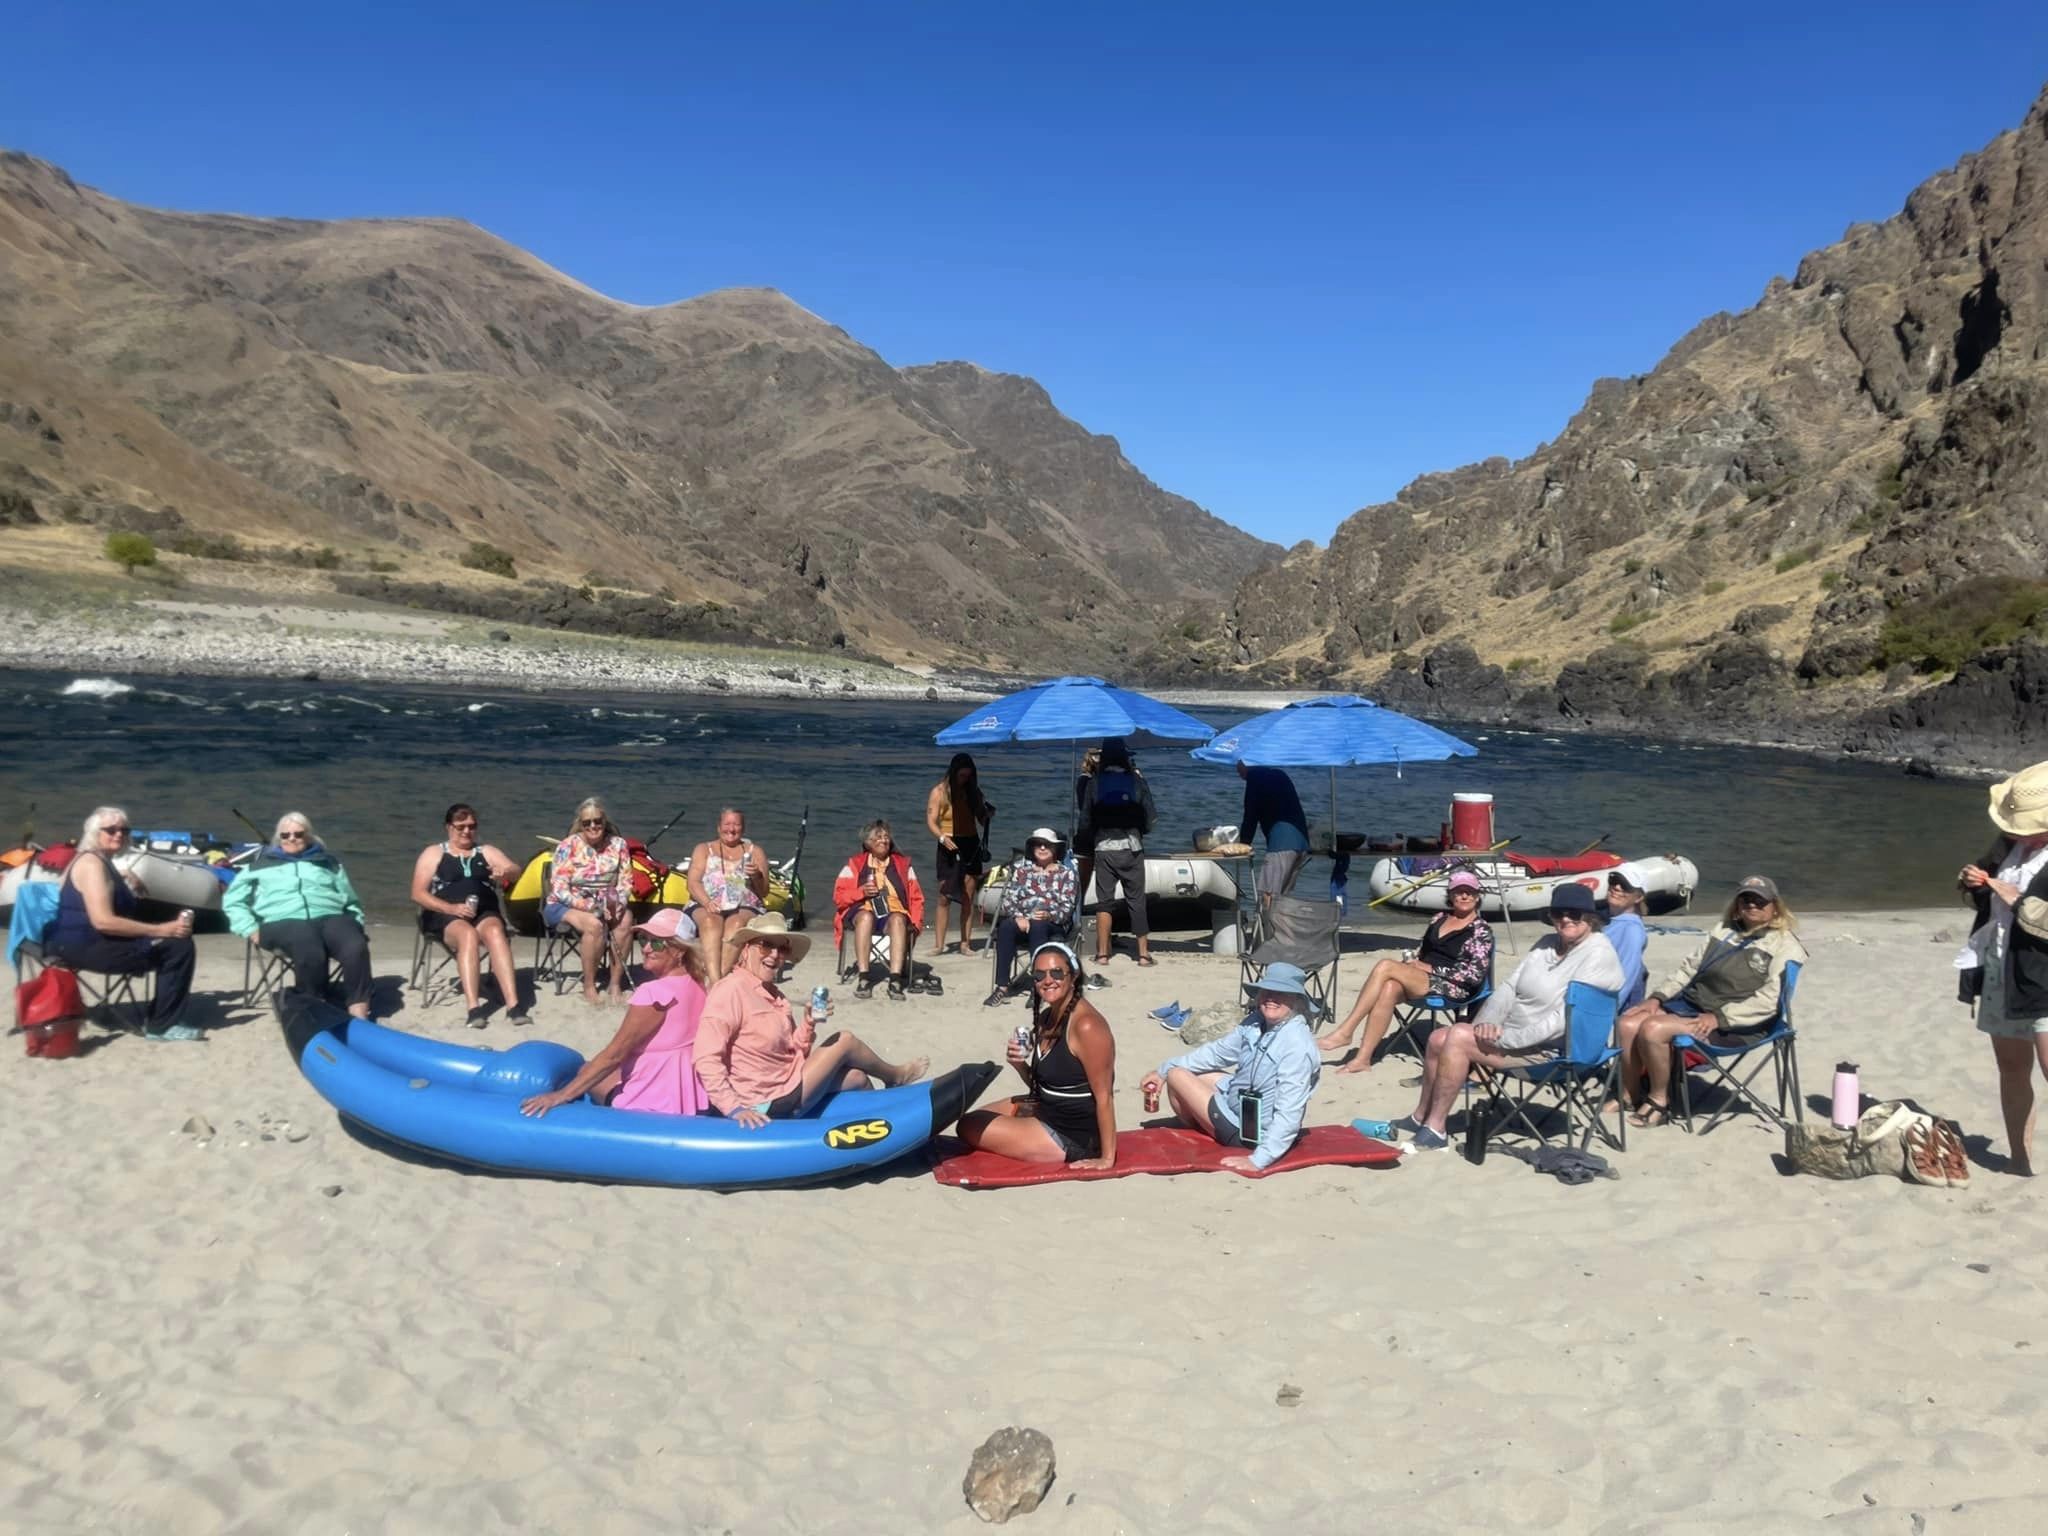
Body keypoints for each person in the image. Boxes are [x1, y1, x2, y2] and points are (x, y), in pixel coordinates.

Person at [1396, 883, 1624, 1151]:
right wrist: (1486, 1022)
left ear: (1591, 918)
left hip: (1556, 1052)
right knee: (1437, 1038)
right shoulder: (1547, 944)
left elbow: (1563, 1021)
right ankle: (1421, 1116)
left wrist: (1508, 1039)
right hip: (1516, 1037)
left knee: (1457, 1035)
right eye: (1558, 913)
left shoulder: (1598, 953)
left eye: (1574, 913)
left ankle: (1435, 1129)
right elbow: (1509, 987)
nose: (1565, 919)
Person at [693, 911, 928, 1128]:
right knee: (844, 1040)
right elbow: (706, 1058)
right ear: (746, 949)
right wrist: (733, 1108)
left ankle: (878, 1127)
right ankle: (895, 1076)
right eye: (765, 945)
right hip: (765, 1099)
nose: (774, 955)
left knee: (856, 1077)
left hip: (789, 1079)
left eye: (781, 949)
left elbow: (794, 1052)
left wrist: (808, 1024)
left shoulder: (774, 995)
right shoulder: (730, 990)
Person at [1613, 875, 1807, 1128]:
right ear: (1737, 905)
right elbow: (1688, 969)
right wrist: (1657, 998)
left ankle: (1660, 1099)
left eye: (1760, 901)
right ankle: (1630, 1093)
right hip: (1693, 1005)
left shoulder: (1785, 946)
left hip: (1739, 1024)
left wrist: (1719, 1018)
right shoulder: (1723, 932)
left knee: (1653, 1029)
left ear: (1775, 906)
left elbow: (1770, 1001)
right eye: (1745, 900)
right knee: (1627, 1024)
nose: (1752, 905)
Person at [520, 909, 711, 1117]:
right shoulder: (698, 985)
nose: (646, 948)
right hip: (688, 1094)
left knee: (585, 1070)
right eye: (644, 940)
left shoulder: (654, 994)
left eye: (656, 943)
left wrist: (561, 1095)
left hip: (651, 1099)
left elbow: (615, 1054)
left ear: (679, 951)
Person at [1140, 960, 1322, 1173]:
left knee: (1177, 1075)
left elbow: (1290, 1110)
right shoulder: (1256, 1022)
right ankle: (1203, 1117)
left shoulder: (1297, 1045)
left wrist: (1258, 1160)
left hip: (1251, 1133)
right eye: (1267, 991)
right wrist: (1161, 1069)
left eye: (1281, 993)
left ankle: (1199, 1125)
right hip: (1241, 1101)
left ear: (1296, 1000)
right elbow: (1217, 1053)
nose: (1271, 998)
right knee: (1184, 1070)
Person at [1958, 761, 2048, 1174]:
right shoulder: (2006, 845)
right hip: (2001, 969)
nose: (2012, 829)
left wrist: (2018, 899)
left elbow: (2026, 909)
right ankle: (2019, 1159)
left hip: (2042, 976)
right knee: (2012, 1069)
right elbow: (1985, 899)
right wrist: (1974, 883)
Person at [43, 805, 200, 1041]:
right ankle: (162, 1025)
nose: (119, 834)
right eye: (111, 829)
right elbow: (103, 922)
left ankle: (161, 1014)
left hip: (70, 942)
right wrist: (161, 930)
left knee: (171, 936)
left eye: (124, 830)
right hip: (88, 947)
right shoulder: (92, 865)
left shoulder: (93, 860)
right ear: (95, 833)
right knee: (179, 946)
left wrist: (127, 880)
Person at [1317, 867, 1493, 1073]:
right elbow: (1424, 951)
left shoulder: (1481, 931)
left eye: (1469, 892)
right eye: (1458, 891)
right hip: (1423, 978)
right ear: (1450, 895)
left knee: (1385, 966)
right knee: (1389, 988)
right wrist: (1413, 961)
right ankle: (1363, 1059)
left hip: (1454, 988)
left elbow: (1473, 976)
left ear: (1477, 896)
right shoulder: (1439, 919)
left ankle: (1346, 1031)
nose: (1464, 896)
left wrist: (1429, 968)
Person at [957, 942, 1117, 1167]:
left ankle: (1046, 1138)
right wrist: (1020, 1065)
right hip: (1048, 1110)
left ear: (1074, 975)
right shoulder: (1046, 1018)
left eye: (1057, 973)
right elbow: (1043, 1084)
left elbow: (1105, 1096)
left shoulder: (1087, 1026)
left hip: (1072, 1135)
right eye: (1039, 975)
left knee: (969, 1127)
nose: (1048, 980)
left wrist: (1107, 1159)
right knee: (972, 1118)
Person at [224, 812, 375, 1021]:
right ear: (279, 838)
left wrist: (355, 923)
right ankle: (314, 1005)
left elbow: (350, 900)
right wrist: (250, 929)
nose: (291, 838)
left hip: (330, 917)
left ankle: (359, 1013)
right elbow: (233, 901)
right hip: (282, 921)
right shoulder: (259, 866)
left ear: (309, 836)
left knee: (355, 946)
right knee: (308, 945)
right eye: (285, 835)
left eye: (298, 834)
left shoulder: (328, 863)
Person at [410, 803, 527, 1027]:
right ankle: (474, 1008)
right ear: (448, 827)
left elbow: (516, 871)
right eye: (460, 826)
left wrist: (506, 872)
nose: (466, 831)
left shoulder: (486, 851)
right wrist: (450, 908)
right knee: (467, 935)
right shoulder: (434, 853)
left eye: (471, 826)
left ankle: (513, 1005)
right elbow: (417, 893)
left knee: (495, 931)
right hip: (444, 914)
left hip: (483, 911)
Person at [1077, 737, 1157, 978]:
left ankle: (1102, 955)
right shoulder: (1136, 781)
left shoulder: (1094, 782)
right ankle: (1143, 955)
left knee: (1105, 902)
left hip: (1104, 848)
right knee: (1136, 900)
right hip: (1132, 847)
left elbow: (1085, 820)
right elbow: (1151, 817)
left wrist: (1089, 838)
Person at [547, 796, 635, 1006]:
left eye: (597, 821)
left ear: (604, 822)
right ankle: (589, 984)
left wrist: (618, 903)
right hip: (567, 904)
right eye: (587, 822)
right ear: (581, 824)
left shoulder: (618, 845)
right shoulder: (568, 846)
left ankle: (615, 982)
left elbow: (626, 881)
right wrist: (591, 907)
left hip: (609, 901)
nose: (593, 826)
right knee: (594, 925)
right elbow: (559, 889)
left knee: (625, 922)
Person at [830, 819, 926, 1000]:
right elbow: (839, 896)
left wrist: (916, 923)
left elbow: (917, 898)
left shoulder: (903, 865)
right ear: (867, 842)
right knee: (866, 917)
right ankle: (864, 977)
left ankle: (895, 979)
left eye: (886, 837)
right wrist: (861, 892)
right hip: (862, 910)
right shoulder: (855, 864)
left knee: (898, 919)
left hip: (892, 913)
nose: (883, 840)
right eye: (878, 837)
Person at [983, 827, 1078, 1006]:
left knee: (1038, 925)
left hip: (1052, 924)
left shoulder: (1066, 874)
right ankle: (1002, 987)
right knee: (1005, 927)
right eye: (1038, 845)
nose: (1042, 848)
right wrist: (1019, 917)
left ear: (1055, 849)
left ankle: (1037, 986)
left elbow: (1067, 908)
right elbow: (1008, 901)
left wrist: (1049, 915)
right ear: (1032, 848)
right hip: (1023, 922)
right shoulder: (1022, 872)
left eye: (1047, 845)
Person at [685, 807, 770, 983]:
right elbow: (693, 883)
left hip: (745, 904)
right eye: (727, 824)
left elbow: (764, 891)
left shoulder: (755, 851)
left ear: (743, 828)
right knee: (710, 921)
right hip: (707, 902)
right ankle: (717, 982)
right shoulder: (703, 849)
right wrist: (706, 901)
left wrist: (756, 875)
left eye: (736, 825)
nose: (731, 829)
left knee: (737, 923)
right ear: (718, 827)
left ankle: (716, 981)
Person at [926, 752, 994, 956]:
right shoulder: (940, 791)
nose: (965, 780)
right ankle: (939, 944)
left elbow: (981, 820)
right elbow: (931, 820)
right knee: (944, 896)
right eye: (962, 776)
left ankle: (965, 943)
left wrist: (987, 815)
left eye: (969, 776)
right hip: (948, 842)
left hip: (970, 842)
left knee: (968, 894)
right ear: (953, 772)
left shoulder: (974, 791)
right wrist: (941, 838)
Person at [1239, 761, 1310, 901]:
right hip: (1302, 842)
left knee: (1268, 894)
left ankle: (1267, 923)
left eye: (1238, 763)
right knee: (1282, 898)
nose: (1236, 769)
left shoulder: (1255, 779)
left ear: (1246, 763)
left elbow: (1250, 816)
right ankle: (1279, 923)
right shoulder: (1279, 774)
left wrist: (1243, 844)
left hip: (1282, 843)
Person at [1604, 867, 1650, 1012]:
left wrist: (1605, 1013)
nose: (1617, 887)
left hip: (1614, 1004)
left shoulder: (1631, 930)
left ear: (1638, 897)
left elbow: (1627, 976)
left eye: (1626, 885)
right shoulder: (1606, 918)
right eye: (1614, 880)